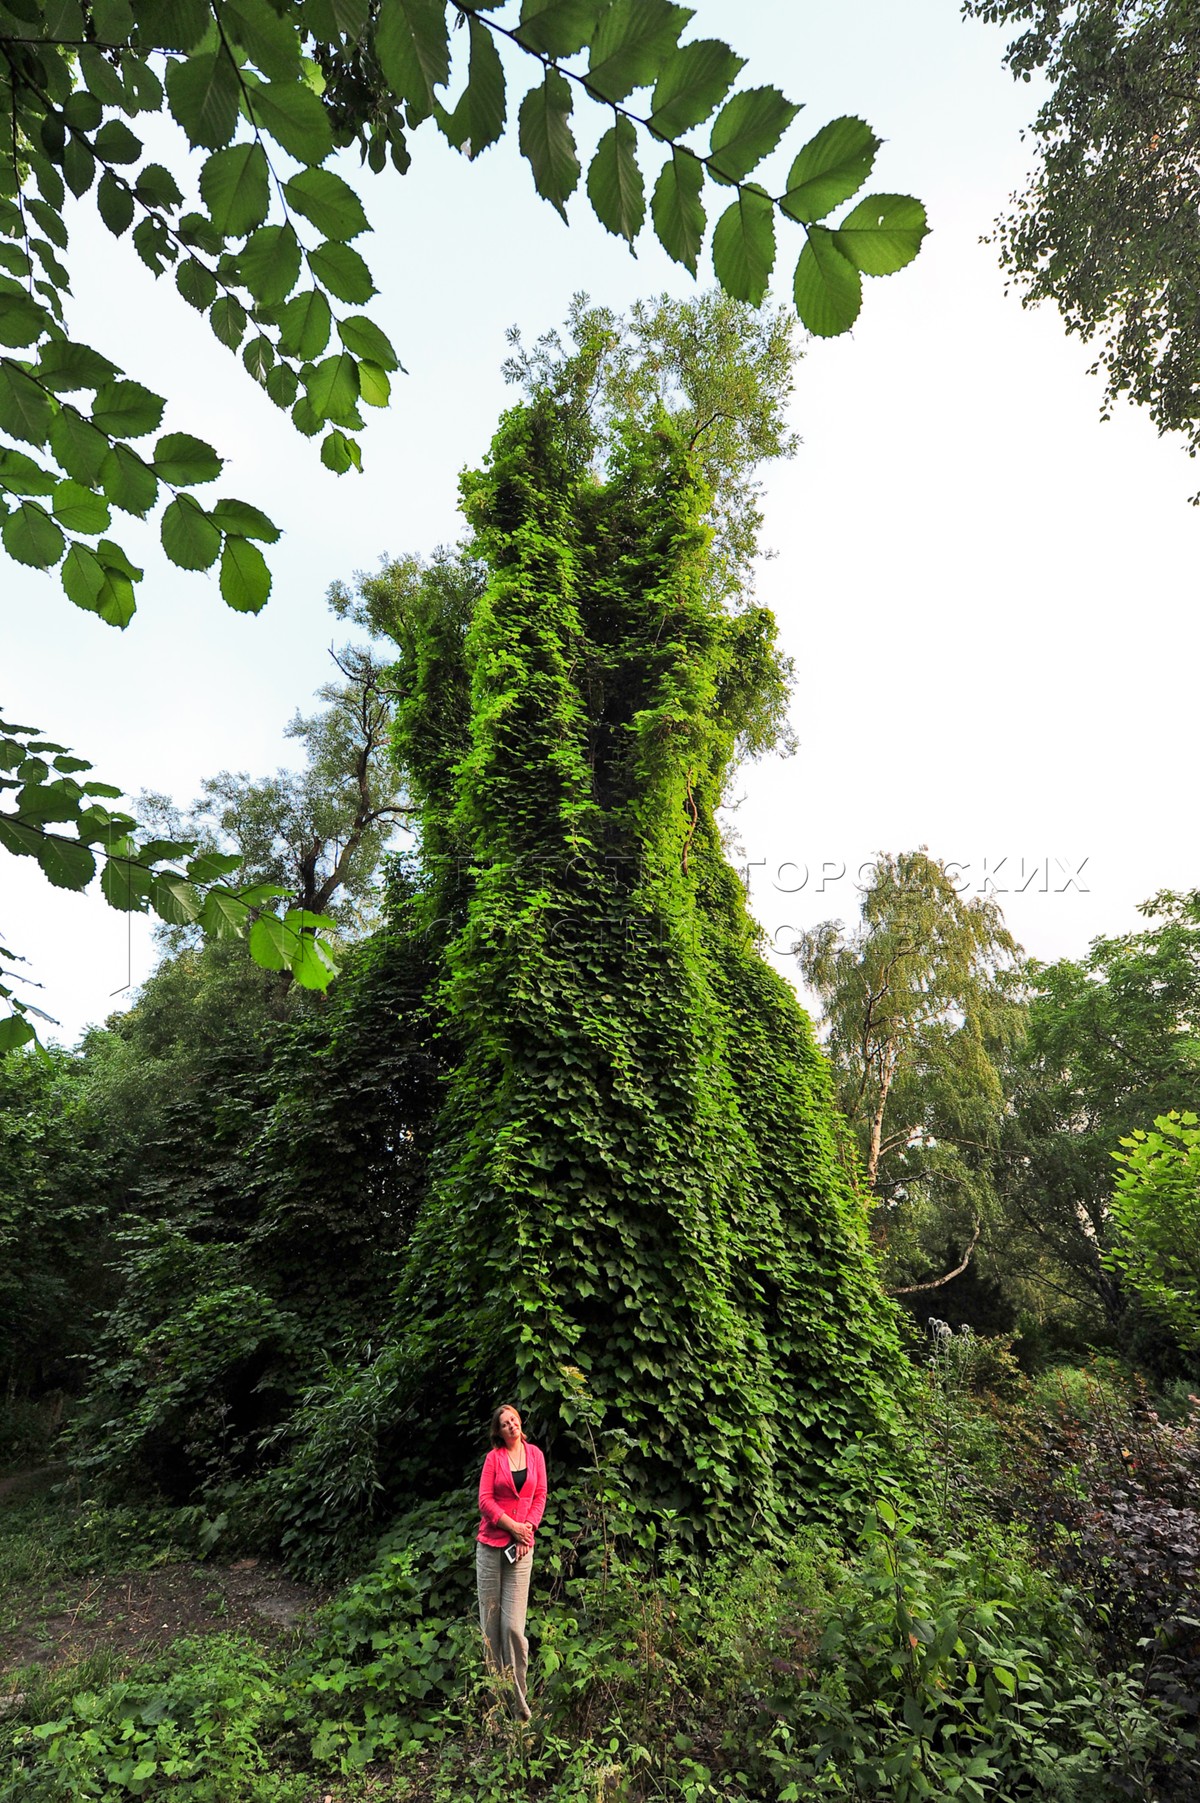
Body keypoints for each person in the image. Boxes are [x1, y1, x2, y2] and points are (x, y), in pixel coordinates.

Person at [476, 1402, 547, 1721]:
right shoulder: (494, 1459)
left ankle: (520, 1706)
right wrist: (512, 1527)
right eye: (504, 1423)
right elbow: (485, 1500)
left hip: (522, 1549)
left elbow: (540, 1495)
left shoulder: (535, 1455)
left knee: (513, 1629)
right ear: (498, 1431)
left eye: (514, 1420)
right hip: (491, 1548)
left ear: (521, 1423)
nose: (511, 1426)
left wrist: (527, 1530)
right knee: (491, 1628)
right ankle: (495, 1703)